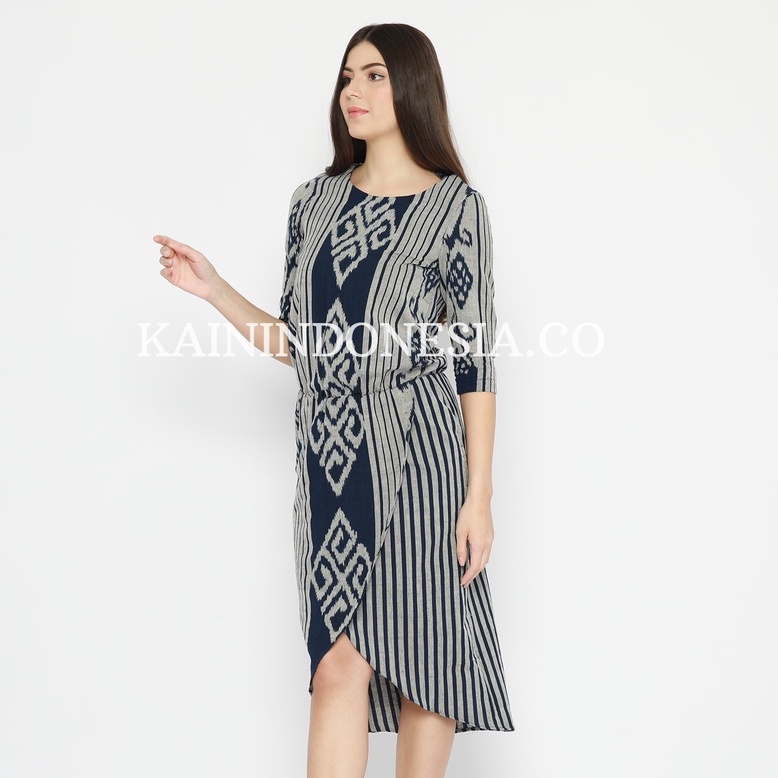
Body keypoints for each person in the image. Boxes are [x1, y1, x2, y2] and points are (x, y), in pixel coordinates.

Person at [153, 22, 514, 778]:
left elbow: (474, 359)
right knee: (337, 667)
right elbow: (299, 344)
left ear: (412, 85)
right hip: (332, 462)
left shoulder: (456, 207)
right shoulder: (312, 203)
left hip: (420, 460)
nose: (354, 90)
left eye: (374, 75)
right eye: (348, 76)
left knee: (427, 663)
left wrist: (478, 496)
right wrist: (214, 288)